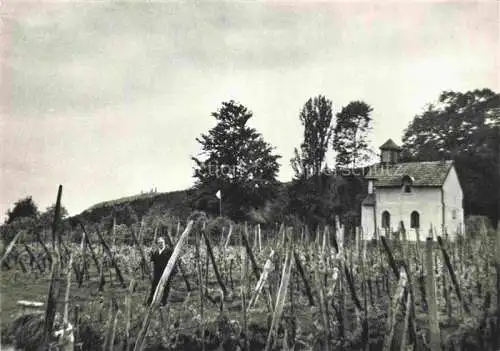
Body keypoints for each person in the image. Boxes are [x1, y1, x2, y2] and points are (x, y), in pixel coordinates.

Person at [147, 236, 176, 306]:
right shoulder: (155, 252)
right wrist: (151, 271)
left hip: (166, 273)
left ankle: (164, 302)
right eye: (159, 243)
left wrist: (172, 273)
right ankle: (150, 301)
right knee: (154, 286)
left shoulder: (169, 251)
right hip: (157, 273)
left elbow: (174, 262)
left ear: (164, 242)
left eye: (162, 242)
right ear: (157, 244)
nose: (161, 244)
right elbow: (152, 261)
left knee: (166, 288)